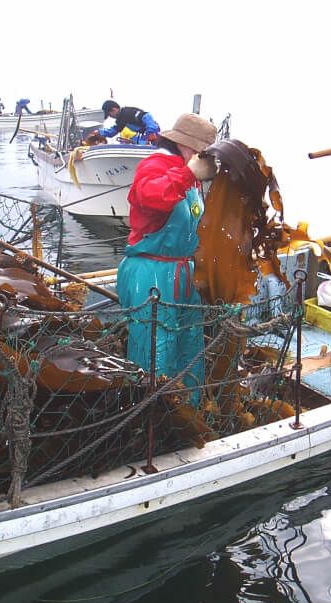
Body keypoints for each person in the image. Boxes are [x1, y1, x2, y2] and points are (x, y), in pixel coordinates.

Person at [116, 113, 218, 403]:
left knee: (189, 348)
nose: (203, 158)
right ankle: (150, 421)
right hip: (151, 274)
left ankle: (189, 414)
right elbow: (150, 195)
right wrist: (188, 174)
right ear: (184, 145)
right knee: (154, 354)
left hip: (185, 274)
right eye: (201, 151)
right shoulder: (156, 165)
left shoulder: (192, 176)